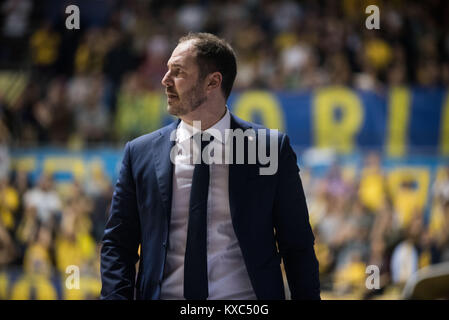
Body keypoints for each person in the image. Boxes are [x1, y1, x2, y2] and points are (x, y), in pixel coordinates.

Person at [100, 32, 320, 300]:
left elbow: (297, 245)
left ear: (213, 82)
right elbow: (118, 245)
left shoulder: (270, 149)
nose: (164, 80)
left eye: (177, 72)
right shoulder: (139, 153)